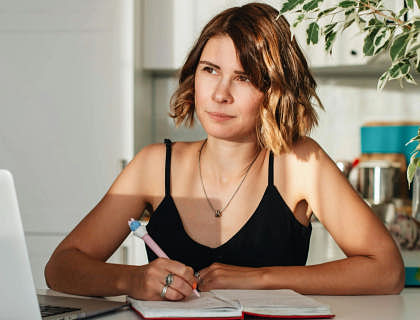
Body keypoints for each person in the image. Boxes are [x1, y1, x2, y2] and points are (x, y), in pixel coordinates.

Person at [45, 2, 404, 301]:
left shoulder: (299, 163)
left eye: (244, 77)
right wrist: (133, 280)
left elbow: (387, 270)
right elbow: (60, 267)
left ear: (275, 91)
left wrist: (259, 278)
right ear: (194, 75)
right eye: (210, 70)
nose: (220, 94)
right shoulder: (154, 165)